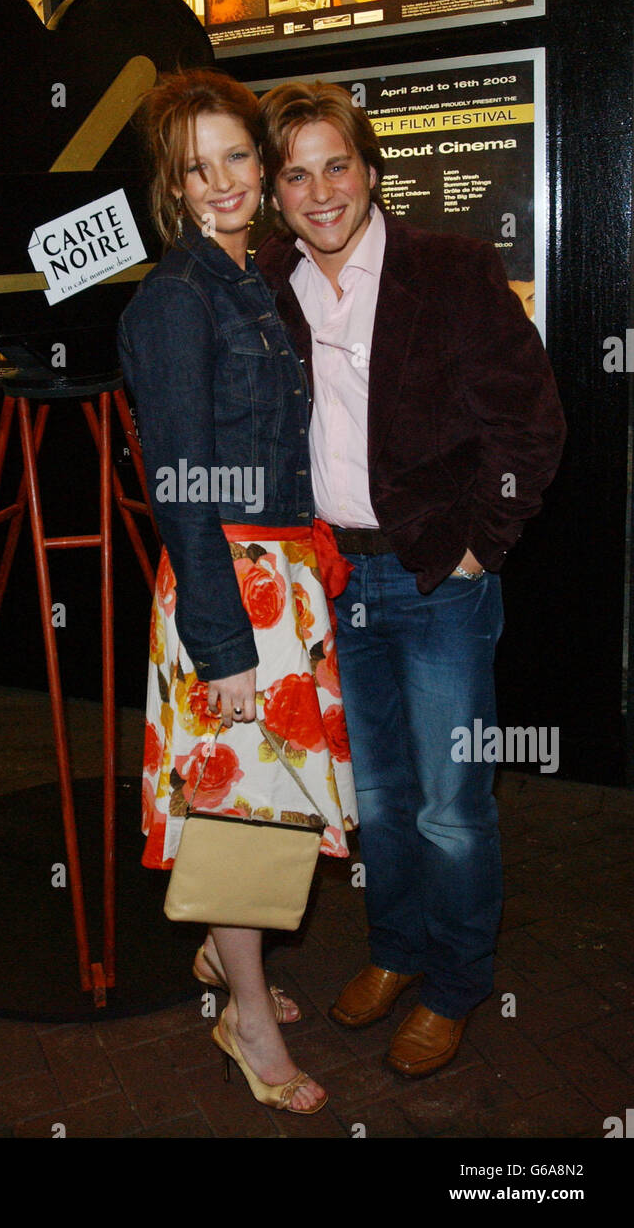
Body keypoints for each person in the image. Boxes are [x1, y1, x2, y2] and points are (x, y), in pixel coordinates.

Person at [256, 81, 566, 1078]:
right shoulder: (271, 285)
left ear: (371, 169)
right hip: (334, 582)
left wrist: (483, 542)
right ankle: (395, 952)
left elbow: (533, 423)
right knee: (378, 800)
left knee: (448, 804)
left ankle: (456, 983)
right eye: (295, 173)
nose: (320, 190)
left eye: (334, 164)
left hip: (440, 581)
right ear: (276, 193)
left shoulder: (453, 268)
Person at [117, 68, 356, 1114]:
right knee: (244, 821)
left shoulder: (247, 274)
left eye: (235, 157)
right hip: (231, 589)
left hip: (279, 576)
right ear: (171, 185)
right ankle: (245, 1017)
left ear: (260, 166)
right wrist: (224, 650)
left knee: (263, 811)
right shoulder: (176, 295)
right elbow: (176, 485)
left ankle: (228, 962)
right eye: (194, 166)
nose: (221, 182)